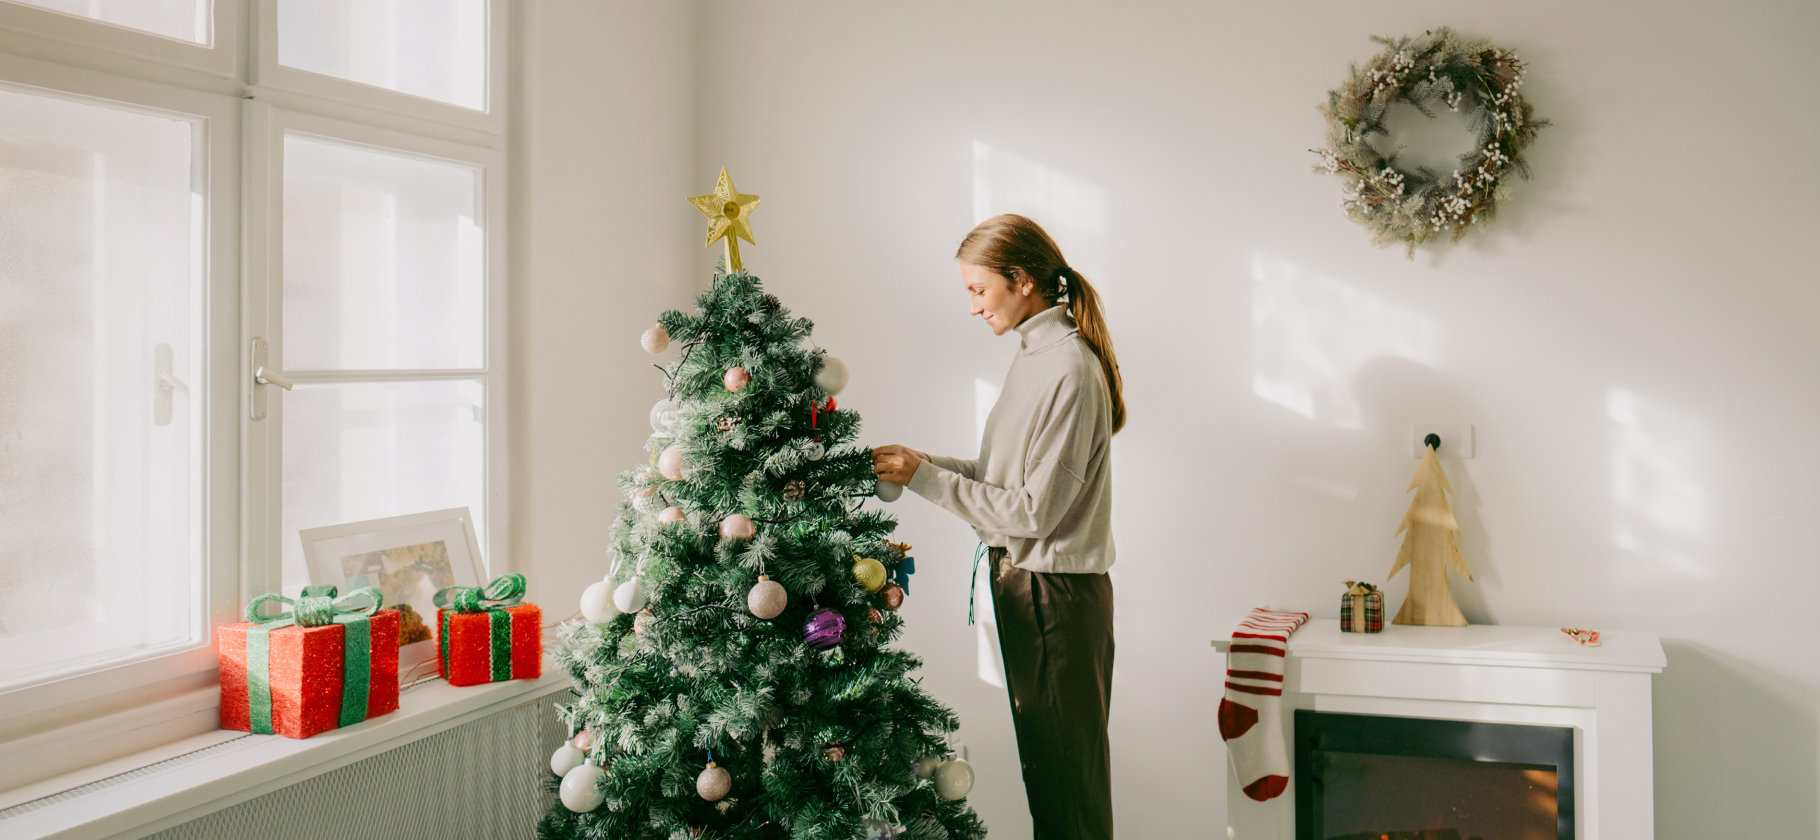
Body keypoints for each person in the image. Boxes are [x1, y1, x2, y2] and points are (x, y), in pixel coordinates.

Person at [873, 213, 1123, 840]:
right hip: (1029, 586)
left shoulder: (1069, 367)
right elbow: (997, 479)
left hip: (1054, 594)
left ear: (1022, 281)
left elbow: (1035, 511)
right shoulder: (1035, 355)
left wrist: (925, 479)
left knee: (1068, 789)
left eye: (978, 290)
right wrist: (922, 465)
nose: (973, 306)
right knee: (1051, 775)